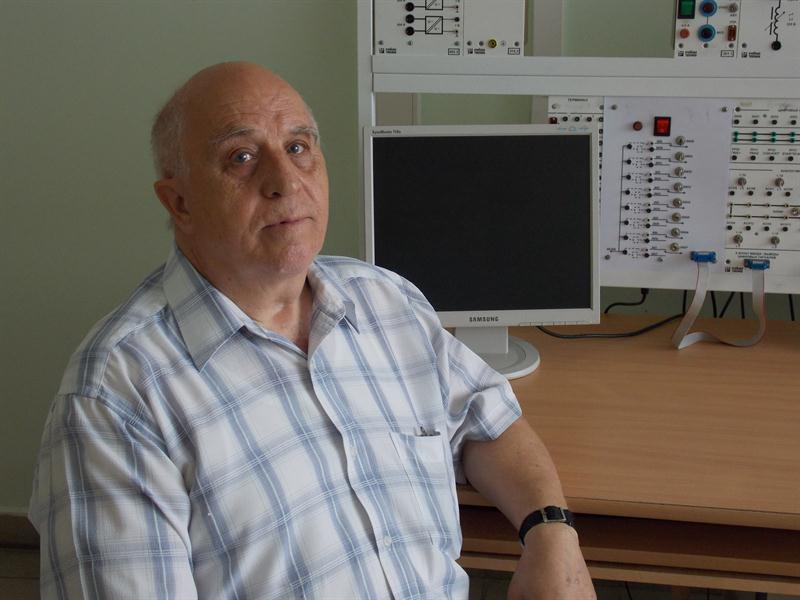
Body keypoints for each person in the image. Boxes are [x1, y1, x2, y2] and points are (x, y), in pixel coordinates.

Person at [29, 61, 595, 599]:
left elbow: (487, 419)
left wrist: (552, 533)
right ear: (179, 202)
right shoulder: (116, 396)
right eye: (241, 157)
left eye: (298, 147)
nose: (285, 181)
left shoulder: (385, 301)